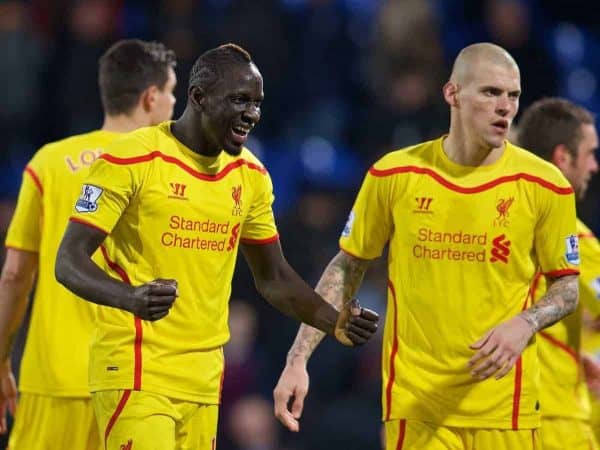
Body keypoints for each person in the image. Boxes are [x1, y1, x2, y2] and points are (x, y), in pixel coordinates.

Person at [54, 43, 379, 450]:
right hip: (137, 370)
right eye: (240, 100)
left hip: (206, 380)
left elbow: (274, 278)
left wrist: (334, 321)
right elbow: (68, 260)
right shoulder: (131, 159)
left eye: (257, 103)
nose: (252, 114)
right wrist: (130, 297)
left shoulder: (251, 176)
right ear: (198, 98)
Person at [273, 42, 580, 450]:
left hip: (508, 408)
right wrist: (298, 360)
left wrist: (526, 322)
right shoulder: (395, 174)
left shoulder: (546, 185)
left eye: (513, 95)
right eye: (491, 92)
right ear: (452, 94)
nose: (505, 106)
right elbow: (348, 266)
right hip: (419, 407)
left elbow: (567, 285)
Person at [0, 39, 177, 450]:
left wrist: (1, 357)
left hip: (53, 379)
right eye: (170, 92)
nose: (173, 104)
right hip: (136, 385)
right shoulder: (168, 170)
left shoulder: (48, 162)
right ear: (151, 97)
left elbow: (14, 275)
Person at [517, 97, 600, 450]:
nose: (595, 166)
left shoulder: (501, 222)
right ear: (563, 157)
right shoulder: (574, 237)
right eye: (591, 153)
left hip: (504, 417)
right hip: (558, 421)